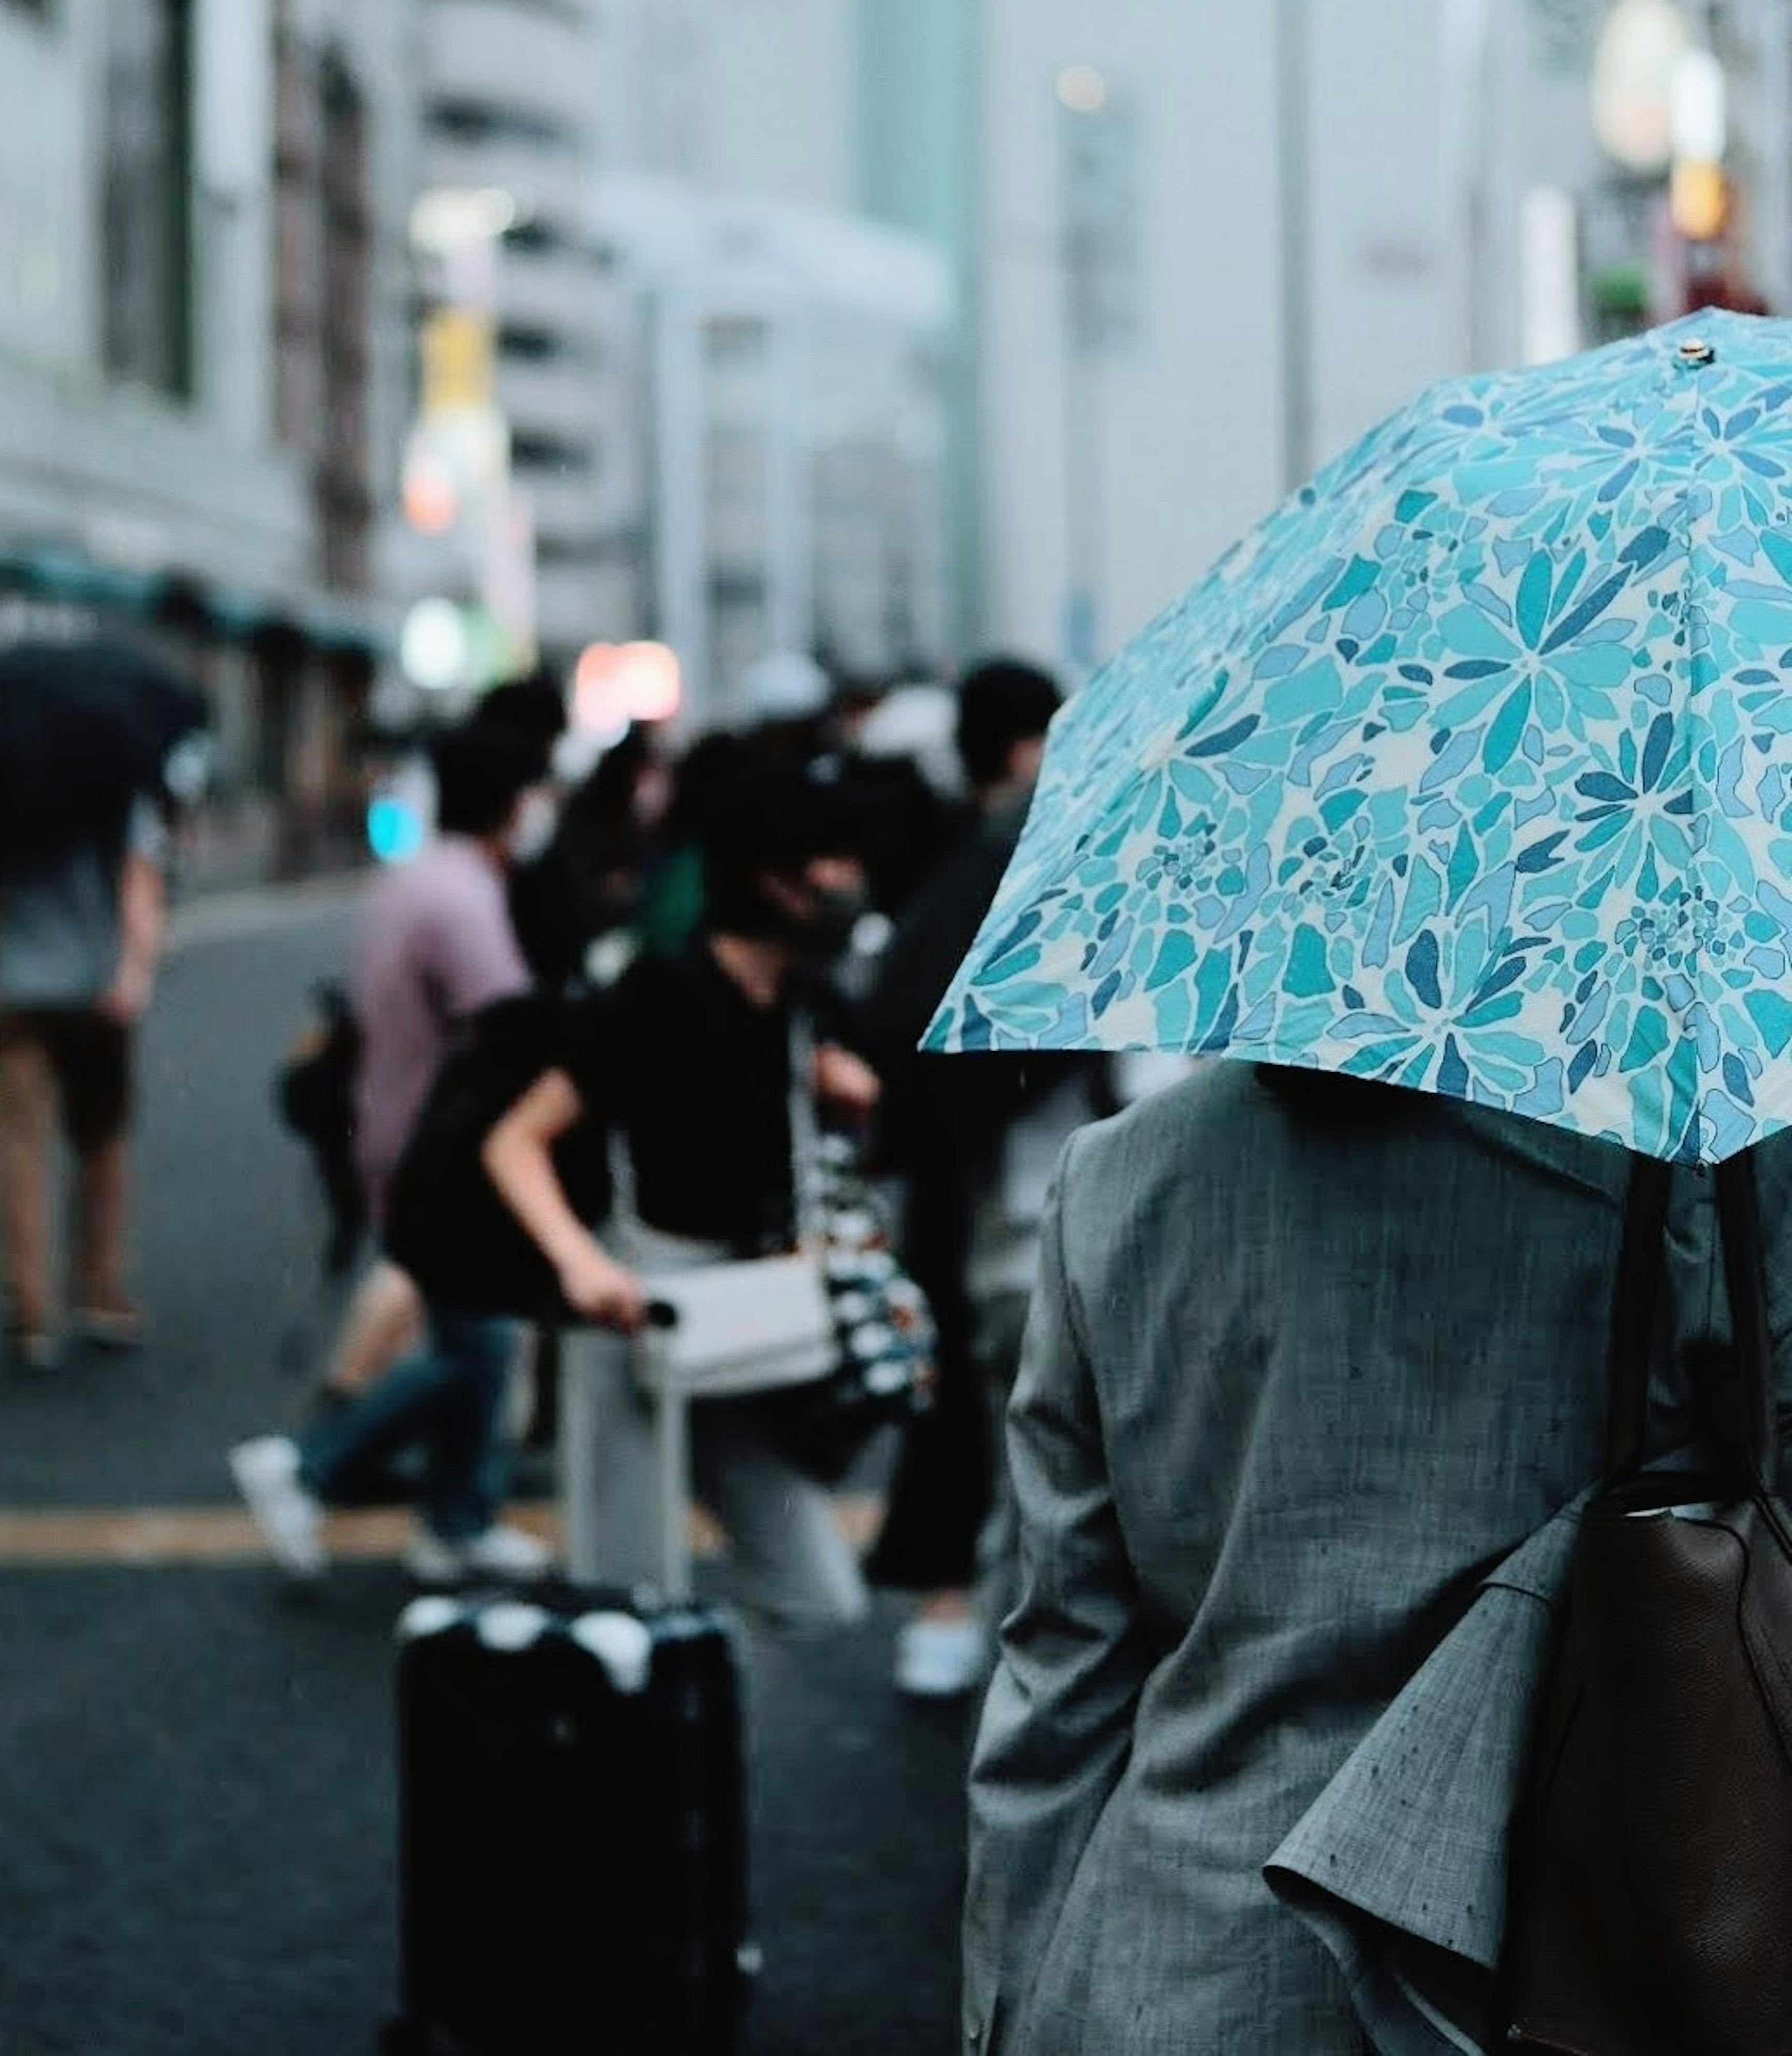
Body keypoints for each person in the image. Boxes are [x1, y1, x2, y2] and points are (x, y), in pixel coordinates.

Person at [964, 1063, 1792, 2055]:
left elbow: (1061, 1670)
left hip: (1177, 1954)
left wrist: (1002, 2008)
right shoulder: (1676, 1168)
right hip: (1540, 1949)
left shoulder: (1115, 1173)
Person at [481, 756, 882, 1633]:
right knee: (624, 1597)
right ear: (774, 880)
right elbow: (515, 1138)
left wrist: (845, 1097)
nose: (850, 879)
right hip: (639, 1309)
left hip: (755, 1315)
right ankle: (653, 1740)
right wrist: (582, 1264)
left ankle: (706, 1706)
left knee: (819, 1589)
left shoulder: (808, 1001)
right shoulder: (662, 991)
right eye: (832, 859)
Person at [231, 721, 547, 1583]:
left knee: (466, 1332)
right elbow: (509, 1023)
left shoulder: (418, 880)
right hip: (440, 1148)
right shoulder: (465, 899)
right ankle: (309, 1466)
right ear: (514, 802)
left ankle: (454, 1517)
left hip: (395, 1125)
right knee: (477, 1345)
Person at [865, 656, 1084, 1697]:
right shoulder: (1028, 854)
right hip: (1015, 1191)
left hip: (968, 1186)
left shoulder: (958, 853)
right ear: (1021, 744)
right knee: (1026, 1409)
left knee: (976, 1398)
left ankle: (961, 1607)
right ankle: (994, 1616)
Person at [0, 791, 168, 1367]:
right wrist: (136, 971)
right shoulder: (110, 778)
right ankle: (98, 1292)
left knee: (20, 1145)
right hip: (96, 990)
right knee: (101, 1141)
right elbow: (139, 883)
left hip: (14, 985)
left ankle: (29, 1311)